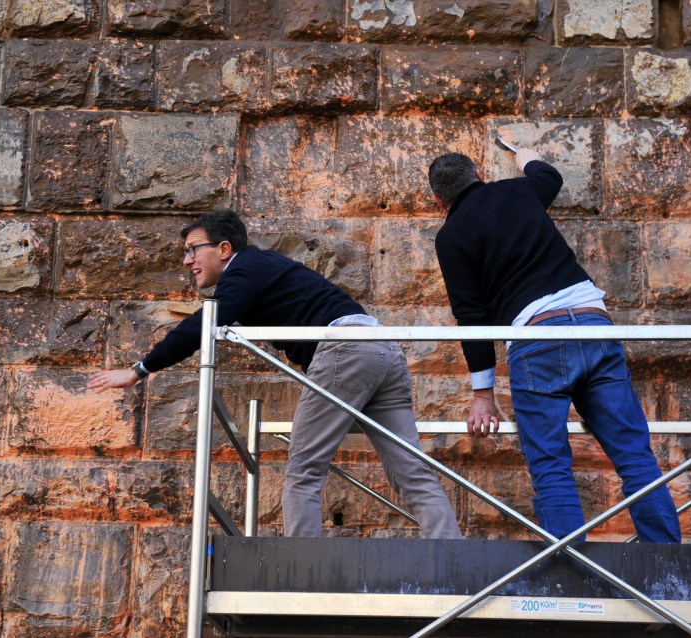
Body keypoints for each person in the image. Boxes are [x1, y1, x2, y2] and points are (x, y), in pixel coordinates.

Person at [88, 209, 462, 539]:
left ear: (223, 249)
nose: (187, 261)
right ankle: (455, 559)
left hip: (346, 350)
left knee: (303, 470)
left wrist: (139, 370)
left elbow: (204, 323)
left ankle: (301, 575)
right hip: (382, 349)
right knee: (411, 471)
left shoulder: (245, 270)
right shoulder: (264, 268)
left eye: (193, 249)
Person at [426, 149, 680, 543]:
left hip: (537, 338)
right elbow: (550, 178)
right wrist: (527, 157)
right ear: (479, 172)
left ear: (438, 201)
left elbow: (471, 315)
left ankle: (570, 573)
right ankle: (668, 566)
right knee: (634, 455)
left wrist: (483, 393)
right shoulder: (518, 191)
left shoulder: (451, 236)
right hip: (594, 326)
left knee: (551, 465)